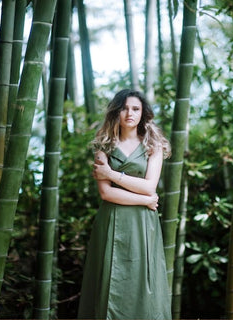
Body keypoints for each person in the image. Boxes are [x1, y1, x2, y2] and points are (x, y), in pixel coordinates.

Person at [77, 89, 172, 319]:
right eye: (125, 108)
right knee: (110, 278)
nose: (130, 113)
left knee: (143, 280)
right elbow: (106, 194)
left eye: (136, 108)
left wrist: (110, 173)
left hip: (142, 223)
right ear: (116, 111)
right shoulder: (104, 146)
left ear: (143, 113)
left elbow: (150, 186)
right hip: (112, 219)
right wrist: (145, 199)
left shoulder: (153, 145)